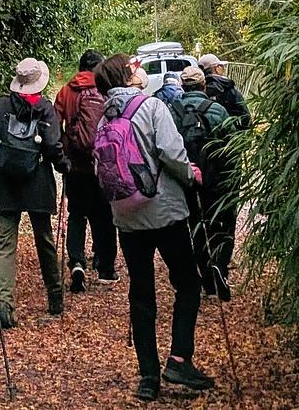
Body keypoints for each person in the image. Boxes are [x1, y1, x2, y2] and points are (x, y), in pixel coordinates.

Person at [94, 54, 214, 400]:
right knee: (188, 282)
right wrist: (192, 175)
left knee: (141, 292)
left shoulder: (105, 117)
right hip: (164, 212)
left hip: (127, 217)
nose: (139, 71)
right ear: (127, 76)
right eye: (134, 67)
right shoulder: (151, 107)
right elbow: (172, 155)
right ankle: (179, 359)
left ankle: (148, 376)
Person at [0, 57, 69, 327]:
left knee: (5, 243)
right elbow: (53, 146)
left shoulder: (1, 107)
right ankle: (55, 296)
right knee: (44, 239)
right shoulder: (45, 108)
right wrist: (64, 166)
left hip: (6, 182)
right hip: (37, 182)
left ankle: (4, 304)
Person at [54, 49, 118, 291]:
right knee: (104, 215)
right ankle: (105, 268)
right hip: (102, 164)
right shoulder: (106, 89)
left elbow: (54, 124)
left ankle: (77, 262)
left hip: (75, 166)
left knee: (77, 214)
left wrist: (64, 150)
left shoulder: (67, 91)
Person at [171, 66, 232, 299]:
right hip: (216, 178)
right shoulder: (218, 110)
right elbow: (232, 145)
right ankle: (221, 266)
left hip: (186, 179)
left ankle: (207, 278)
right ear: (203, 85)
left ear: (182, 86)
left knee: (195, 226)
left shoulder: (173, 111)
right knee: (221, 224)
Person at [198, 53, 251, 129]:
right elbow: (245, 116)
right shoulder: (228, 88)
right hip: (229, 131)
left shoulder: (199, 89)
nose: (224, 69)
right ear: (217, 69)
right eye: (221, 66)